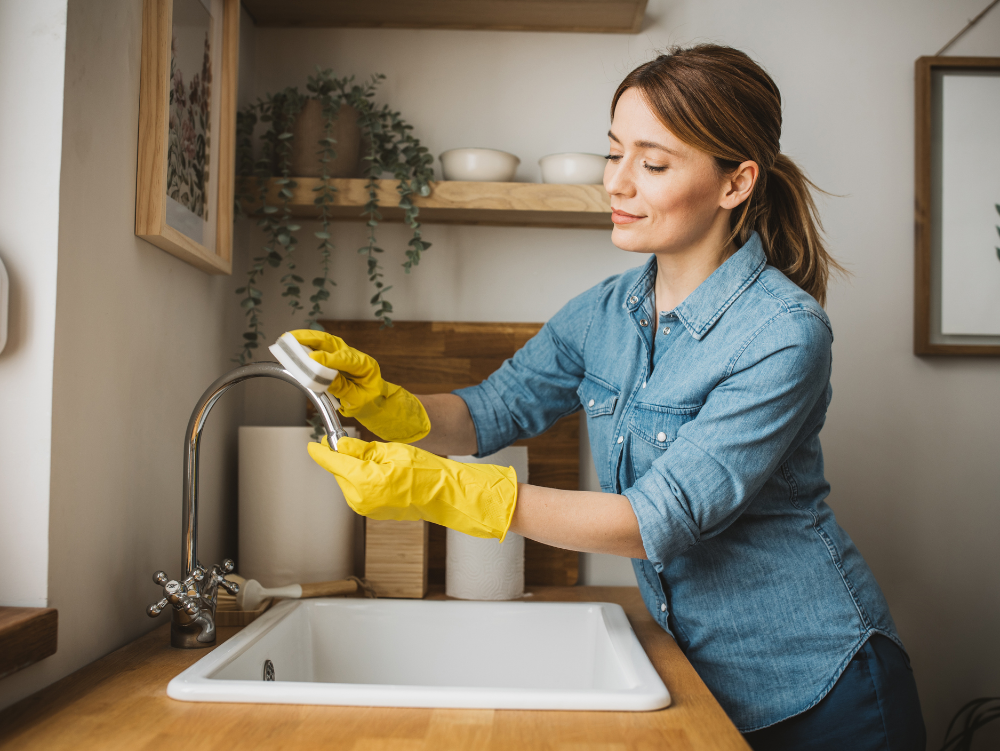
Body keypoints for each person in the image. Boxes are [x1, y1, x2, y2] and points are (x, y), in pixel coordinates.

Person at [293, 45, 926, 751]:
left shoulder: (784, 334)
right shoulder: (603, 314)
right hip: (703, 679)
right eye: (613, 153)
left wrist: (450, 495)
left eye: (653, 164)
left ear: (735, 184)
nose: (618, 184)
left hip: (822, 689)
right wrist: (384, 403)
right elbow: (489, 412)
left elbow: (661, 519)